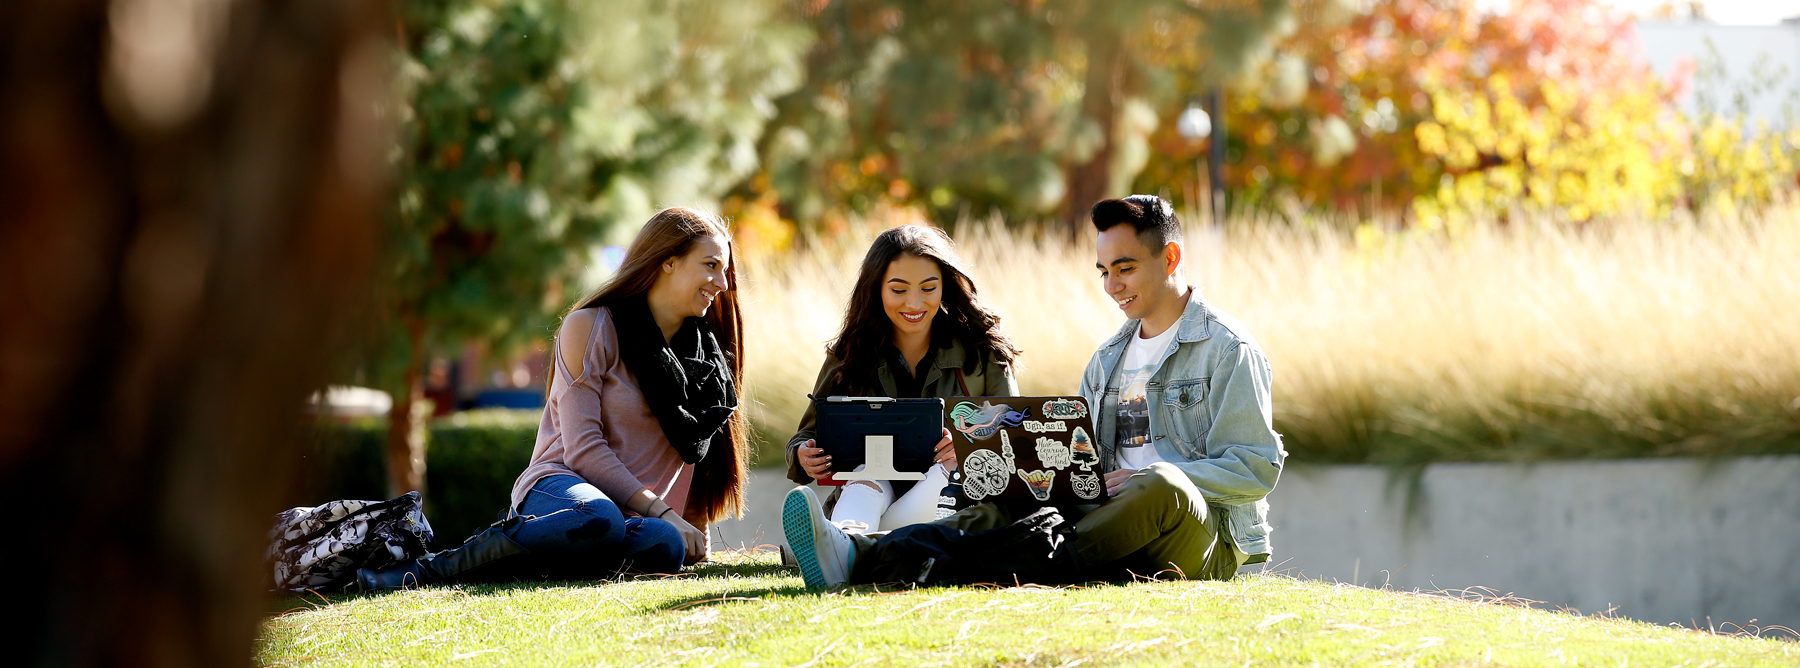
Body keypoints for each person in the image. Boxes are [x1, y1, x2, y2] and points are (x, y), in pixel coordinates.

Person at [783, 195, 1284, 588]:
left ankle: (920, 559)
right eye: (1104, 272)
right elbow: (1085, 463)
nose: (1112, 286)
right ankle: (856, 553)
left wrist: (1138, 478)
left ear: (1170, 257)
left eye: (1125, 268)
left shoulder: (1227, 349)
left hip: (1195, 532)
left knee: (1160, 482)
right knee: (1010, 502)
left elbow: (1255, 465)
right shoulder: (1108, 358)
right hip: (1107, 517)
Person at [358, 207, 750, 590]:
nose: (721, 282)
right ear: (668, 262)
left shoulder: (706, 362)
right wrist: (663, 511)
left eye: (723, 270)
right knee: (599, 517)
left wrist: (690, 530)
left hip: (633, 517)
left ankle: (545, 562)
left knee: (663, 544)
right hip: (563, 489)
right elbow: (583, 450)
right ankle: (430, 569)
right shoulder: (592, 327)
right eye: (711, 265)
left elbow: (696, 456)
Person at [784, 225, 1020, 534]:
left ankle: (843, 544)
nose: (914, 303)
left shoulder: (984, 352)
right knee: (865, 478)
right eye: (898, 290)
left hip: (953, 493)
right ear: (876, 288)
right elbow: (806, 436)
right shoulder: (848, 353)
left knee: (948, 472)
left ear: (944, 287)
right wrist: (804, 456)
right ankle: (848, 542)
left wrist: (968, 444)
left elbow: (1015, 438)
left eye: (928, 288)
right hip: (869, 486)